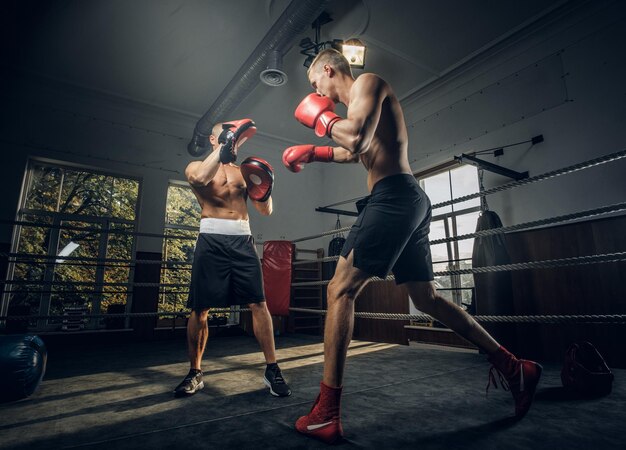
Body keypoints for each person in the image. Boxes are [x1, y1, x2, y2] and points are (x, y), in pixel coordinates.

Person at [283, 49, 541, 443]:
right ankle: (512, 366)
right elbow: (355, 151)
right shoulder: (358, 108)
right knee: (428, 300)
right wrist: (313, 153)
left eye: (314, 82)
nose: (315, 90)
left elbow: (354, 139)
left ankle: (326, 412)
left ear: (327, 70)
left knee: (339, 289)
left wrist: (319, 117)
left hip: (394, 198)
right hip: (408, 200)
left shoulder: (368, 83)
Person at [174, 119, 291, 398]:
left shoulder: (244, 173)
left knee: (258, 303)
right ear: (215, 140)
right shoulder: (195, 167)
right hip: (211, 239)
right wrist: (224, 149)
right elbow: (201, 179)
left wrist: (265, 188)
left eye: (237, 141)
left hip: (242, 239)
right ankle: (195, 372)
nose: (235, 145)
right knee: (200, 309)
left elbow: (265, 211)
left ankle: (272, 369)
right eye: (229, 139)